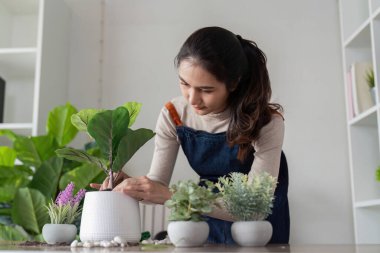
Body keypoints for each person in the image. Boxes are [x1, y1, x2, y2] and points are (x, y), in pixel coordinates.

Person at [90, 26, 290, 244]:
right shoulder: (174, 114)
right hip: (205, 214)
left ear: (234, 83)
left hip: (256, 226)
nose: (192, 98)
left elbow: (254, 207)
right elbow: (158, 183)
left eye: (206, 90)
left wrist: (171, 195)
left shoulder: (267, 122)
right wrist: (135, 187)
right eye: (184, 83)